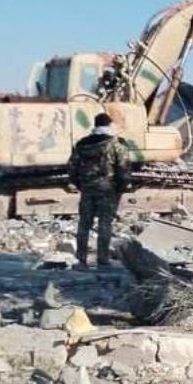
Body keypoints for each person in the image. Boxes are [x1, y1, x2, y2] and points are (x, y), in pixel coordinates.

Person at [69, 112, 130, 268]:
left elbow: (72, 167)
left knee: (84, 223)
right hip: (107, 189)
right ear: (109, 125)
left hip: (87, 189)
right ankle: (102, 259)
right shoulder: (116, 144)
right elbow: (123, 168)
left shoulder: (82, 144)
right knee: (105, 223)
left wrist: (80, 184)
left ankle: (81, 259)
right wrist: (122, 186)